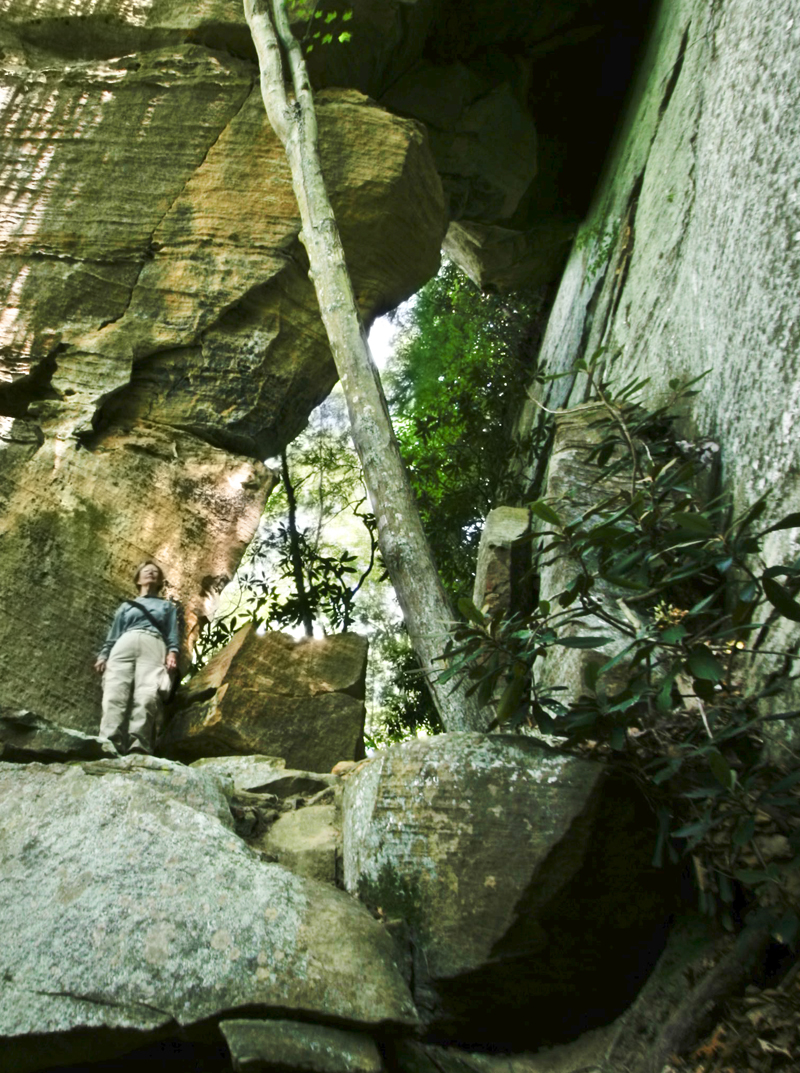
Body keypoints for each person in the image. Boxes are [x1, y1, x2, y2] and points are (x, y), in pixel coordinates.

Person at [94, 561, 180, 756]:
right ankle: (108, 743)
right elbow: (114, 634)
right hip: (124, 644)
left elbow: (172, 634)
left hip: (154, 643)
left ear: (159, 581)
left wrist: (173, 653)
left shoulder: (167, 607)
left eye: (155, 572)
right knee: (114, 692)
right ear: (138, 578)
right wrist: (104, 655)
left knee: (147, 695)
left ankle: (138, 745)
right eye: (146, 570)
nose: (151, 573)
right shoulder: (126, 606)